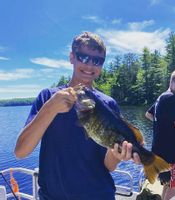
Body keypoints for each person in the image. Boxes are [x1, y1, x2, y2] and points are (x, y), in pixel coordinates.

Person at [14, 32, 140, 200]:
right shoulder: (48, 97)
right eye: (83, 57)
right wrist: (50, 108)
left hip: (99, 195)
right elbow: (21, 152)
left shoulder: (108, 104)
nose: (90, 66)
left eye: (97, 61)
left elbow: (108, 166)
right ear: (72, 57)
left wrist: (117, 156)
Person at [145, 68, 175, 200]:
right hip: (169, 149)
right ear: (171, 82)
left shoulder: (162, 97)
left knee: (167, 182)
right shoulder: (172, 98)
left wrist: (164, 123)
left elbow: (148, 114)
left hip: (158, 147)